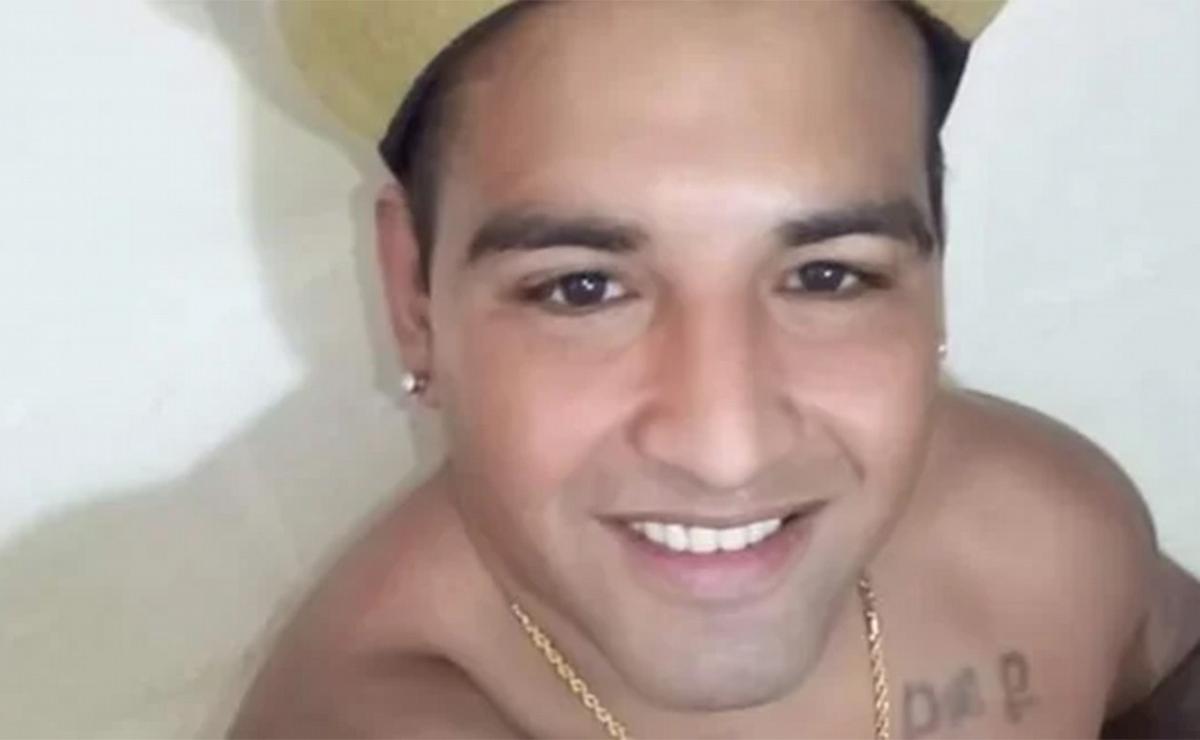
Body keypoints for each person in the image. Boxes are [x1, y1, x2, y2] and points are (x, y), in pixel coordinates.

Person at [230, 1, 1200, 737]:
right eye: (581, 288)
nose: (726, 450)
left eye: (827, 275)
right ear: (413, 298)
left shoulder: (1053, 535)